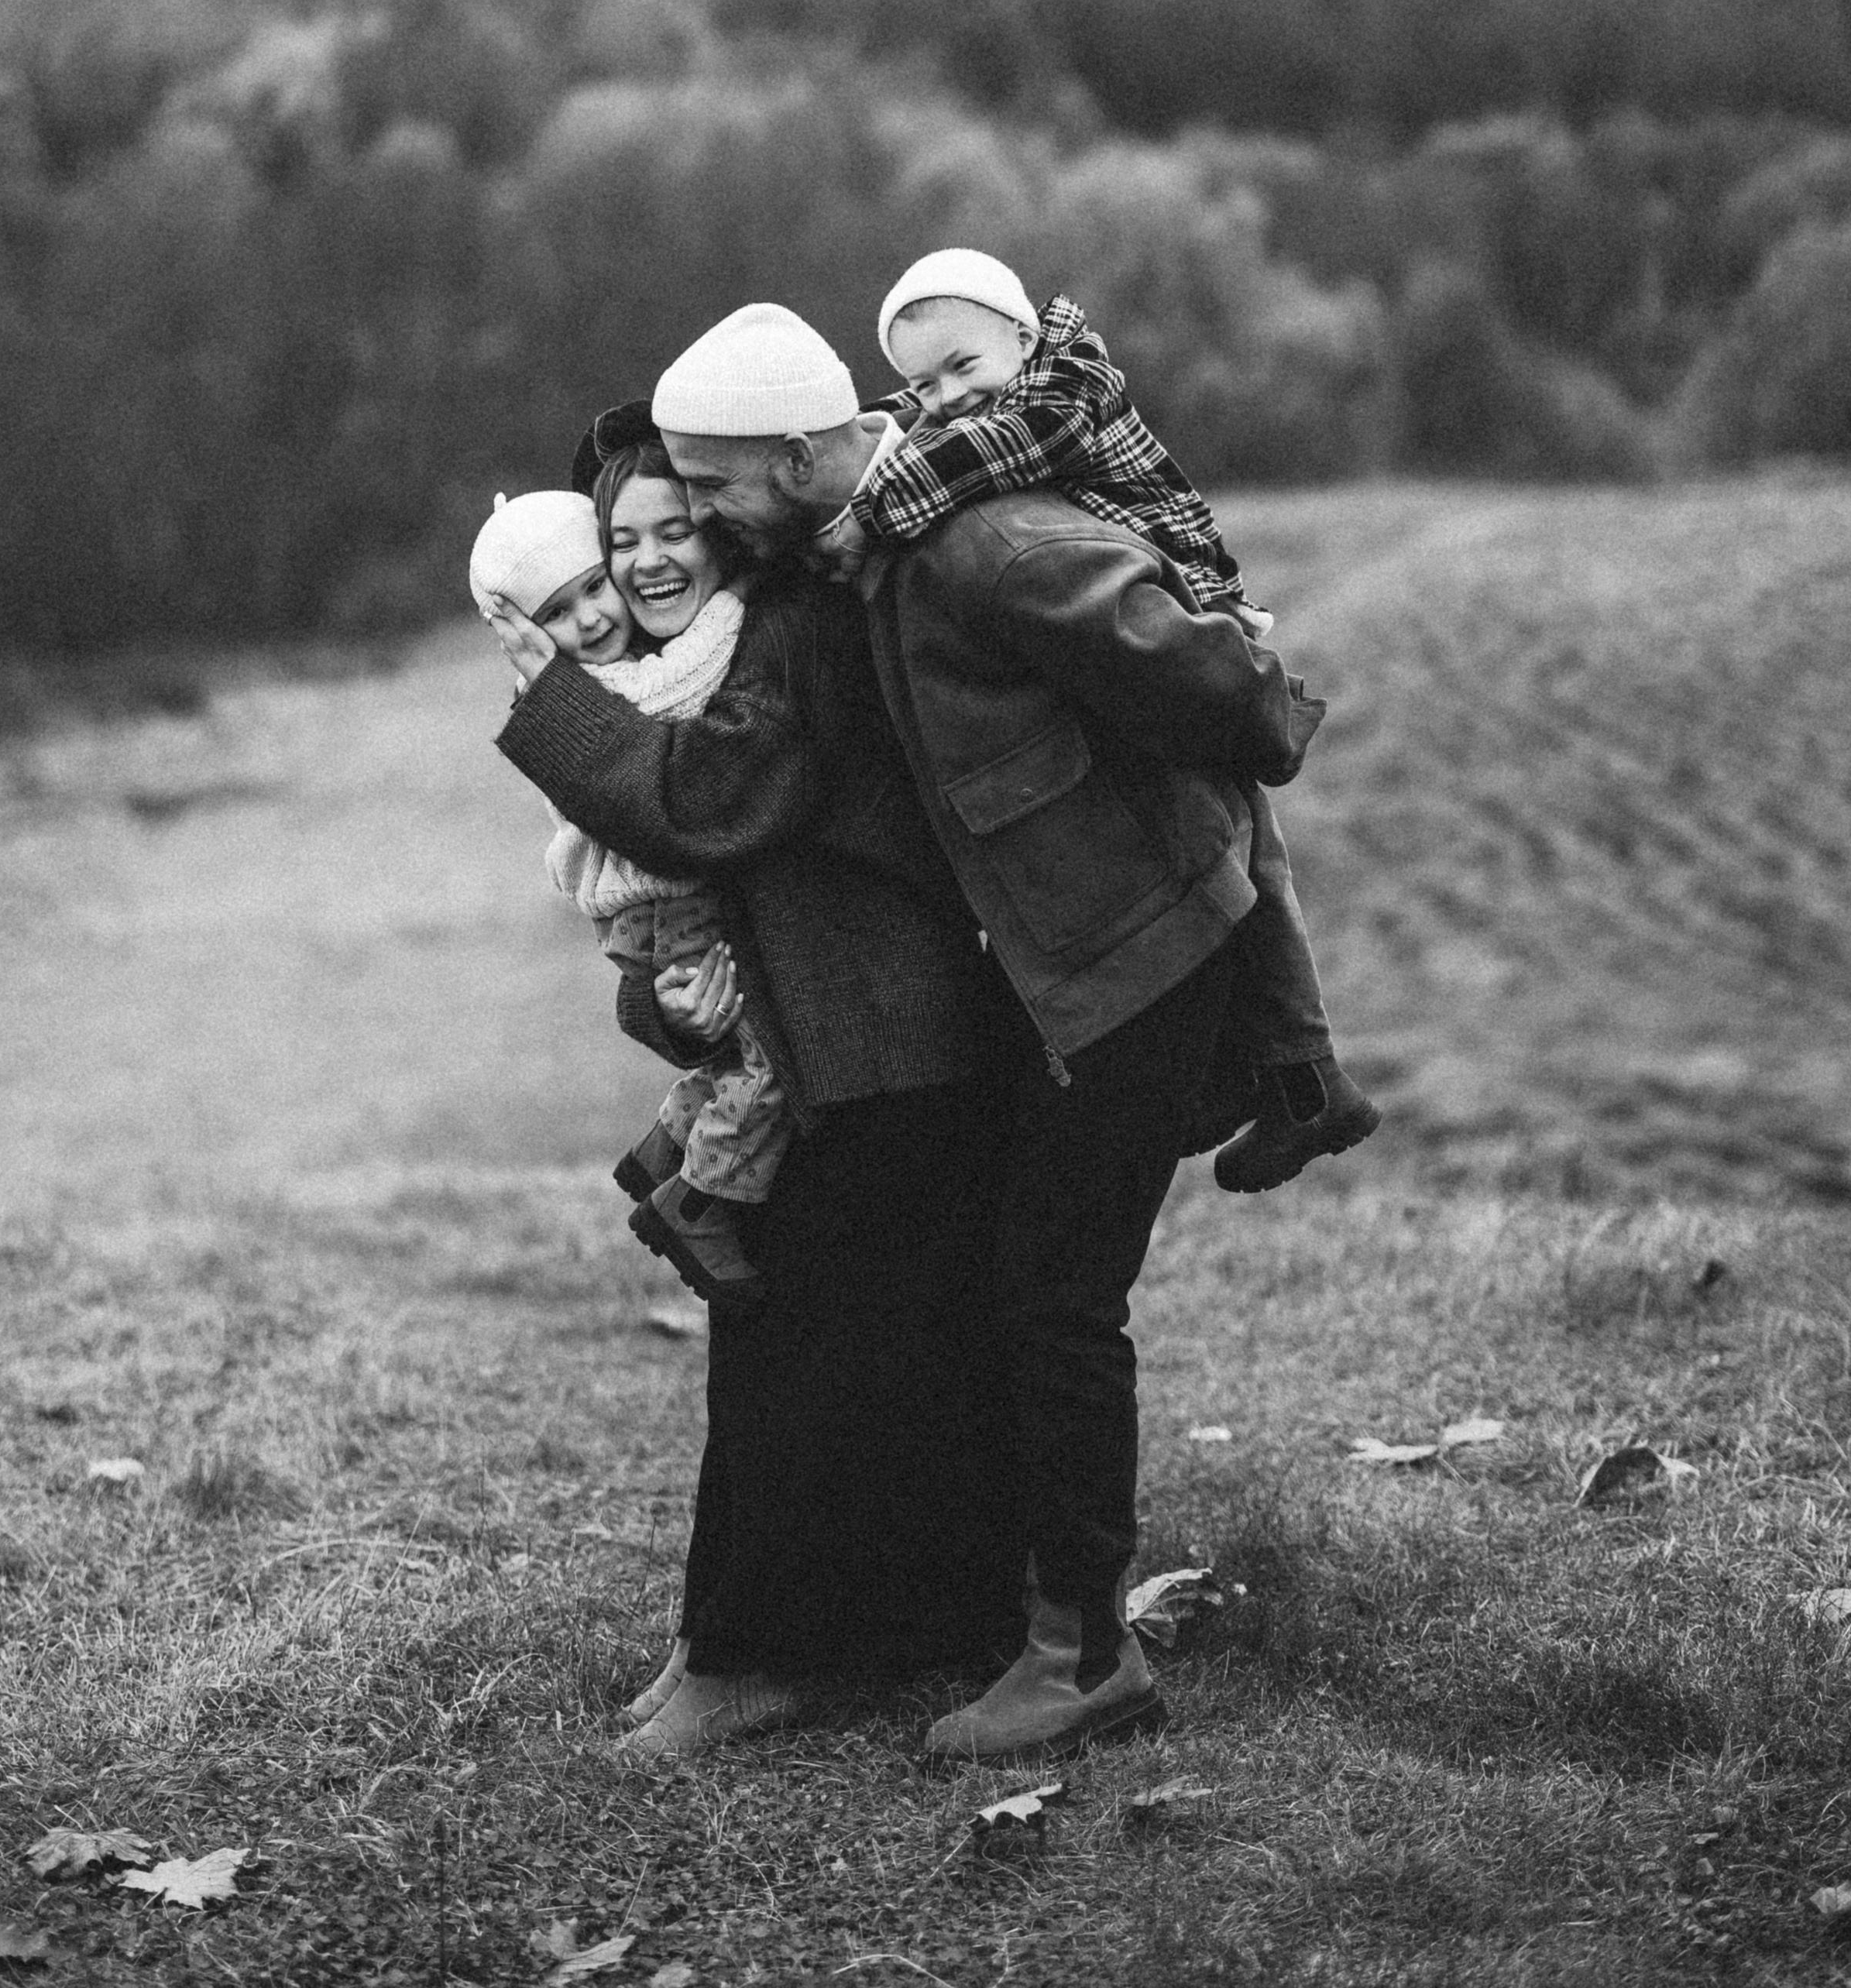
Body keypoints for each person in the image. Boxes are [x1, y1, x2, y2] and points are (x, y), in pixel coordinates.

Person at [644, 300, 1338, 1762]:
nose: (694, 514)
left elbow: (1235, 698)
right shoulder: (874, 543)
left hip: (1143, 964)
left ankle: (1087, 1659)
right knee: (1015, 1286)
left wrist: (1258, 721)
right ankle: (1018, 1618)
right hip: (1060, 967)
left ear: (792, 455)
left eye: (709, 484)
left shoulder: (989, 545)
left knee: (1059, 1303)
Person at [488, 379, 1036, 1761]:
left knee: (812, 1357)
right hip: (825, 1050)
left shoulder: (787, 636)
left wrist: (551, 703)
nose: (652, 561)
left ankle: (768, 1657)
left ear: (735, 529)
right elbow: (687, 929)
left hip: (891, 1039)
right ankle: (767, 1640)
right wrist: (669, 1006)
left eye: (682, 526)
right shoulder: (706, 664)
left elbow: (703, 808)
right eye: (624, 543)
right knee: (818, 1349)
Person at [833, 244, 1377, 1196]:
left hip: (1191, 604)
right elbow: (929, 431)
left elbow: (976, 455)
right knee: (1217, 836)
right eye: (922, 382)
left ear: (1023, 335)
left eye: (965, 367)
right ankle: (1275, 1073)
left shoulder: (1063, 392)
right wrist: (874, 428)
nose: (948, 396)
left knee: (1239, 837)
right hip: (1133, 596)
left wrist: (865, 511)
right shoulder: (977, 399)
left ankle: (1304, 1072)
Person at [466, 471, 787, 1309]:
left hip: (652, 908)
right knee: (763, 1061)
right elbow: (686, 680)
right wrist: (736, 599)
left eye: (592, 591)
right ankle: (697, 1199)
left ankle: (672, 1136)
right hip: (661, 905)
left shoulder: (591, 679)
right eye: (559, 615)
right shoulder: (590, 690)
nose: (594, 618)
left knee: (731, 1050)